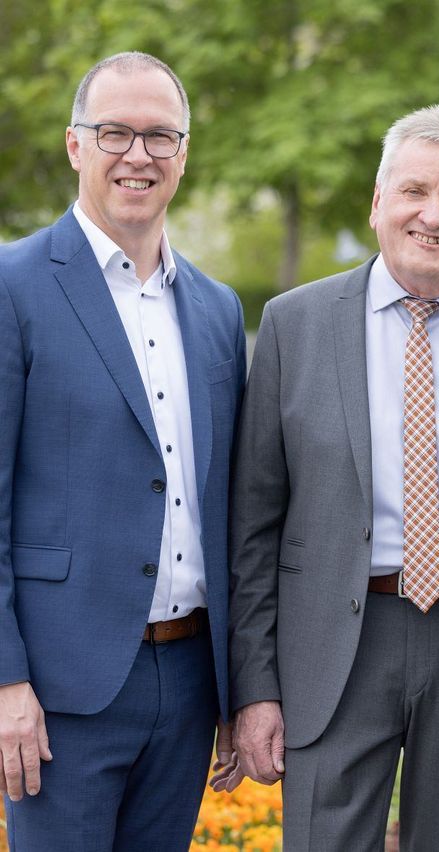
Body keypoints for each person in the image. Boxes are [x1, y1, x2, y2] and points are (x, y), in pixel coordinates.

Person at [223, 104, 439, 850]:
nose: (433, 215)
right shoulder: (295, 326)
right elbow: (253, 526)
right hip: (330, 647)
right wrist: (255, 690)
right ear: (378, 202)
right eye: (415, 191)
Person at [0, 52, 246, 850]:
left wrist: (236, 689)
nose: (138, 155)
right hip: (59, 692)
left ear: (184, 152)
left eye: (160, 136)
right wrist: (6, 682)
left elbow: (229, 505)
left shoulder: (216, 309)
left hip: (187, 685)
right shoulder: (14, 286)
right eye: (115, 133)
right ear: (76, 145)